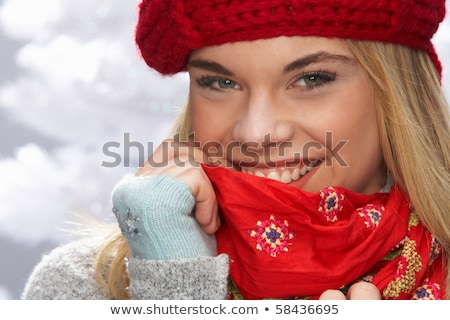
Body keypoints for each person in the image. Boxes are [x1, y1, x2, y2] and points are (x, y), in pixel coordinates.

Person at [22, 0, 449, 300]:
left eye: (312, 79)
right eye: (220, 83)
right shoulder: (86, 286)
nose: (256, 134)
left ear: (395, 93)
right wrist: (175, 281)